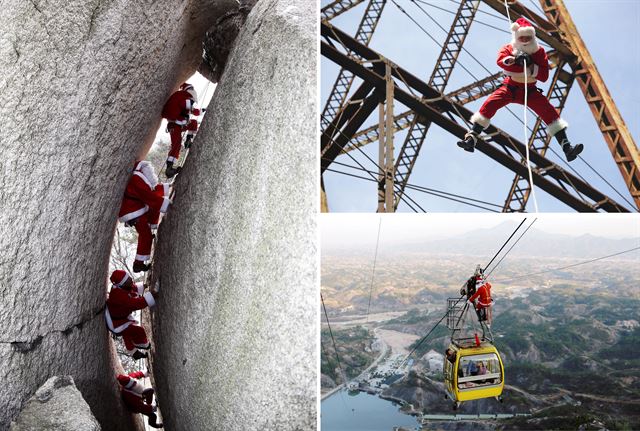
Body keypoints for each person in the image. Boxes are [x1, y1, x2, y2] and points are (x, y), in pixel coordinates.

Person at [457, 17, 583, 162]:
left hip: (530, 91)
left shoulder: (539, 52)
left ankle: (567, 147)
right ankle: (472, 136)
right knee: (490, 104)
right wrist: (517, 61)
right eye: (521, 37)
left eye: (528, 38)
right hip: (509, 87)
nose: (524, 40)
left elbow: (543, 76)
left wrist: (529, 65)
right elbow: (501, 62)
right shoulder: (509, 49)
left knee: (549, 112)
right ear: (516, 37)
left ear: (532, 37)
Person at [118, 160, 171, 272]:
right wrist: (167, 205)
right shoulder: (137, 180)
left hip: (136, 207)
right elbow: (150, 196)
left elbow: (152, 190)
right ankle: (138, 264)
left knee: (146, 233)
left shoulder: (141, 177)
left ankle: (151, 227)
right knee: (145, 235)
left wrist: (169, 188)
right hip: (133, 211)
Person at [105, 270, 158, 359]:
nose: (131, 279)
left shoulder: (122, 287)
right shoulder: (119, 296)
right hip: (117, 323)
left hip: (121, 317)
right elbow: (136, 304)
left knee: (128, 334)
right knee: (136, 331)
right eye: (128, 279)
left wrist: (144, 285)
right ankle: (140, 345)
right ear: (122, 284)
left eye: (129, 277)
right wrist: (151, 296)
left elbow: (132, 288)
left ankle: (135, 351)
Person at [161, 82, 201, 177]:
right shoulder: (182, 97)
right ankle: (169, 168)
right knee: (176, 144)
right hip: (174, 126)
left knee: (193, 123)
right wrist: (192, 105)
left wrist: (202, 110)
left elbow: (192, 110)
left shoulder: (182, 97)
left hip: (180, 124)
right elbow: (186, 105)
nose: (192, 101)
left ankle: (188, 141)